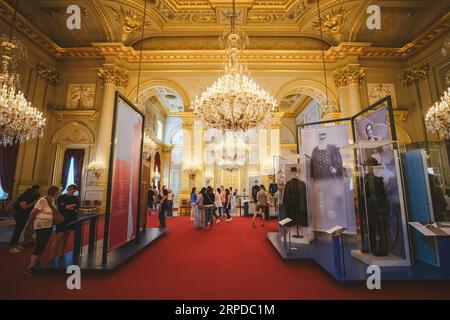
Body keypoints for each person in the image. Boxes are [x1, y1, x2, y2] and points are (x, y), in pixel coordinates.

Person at [24, 186, 60, 276]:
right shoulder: (42, 200)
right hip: (40, 226)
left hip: (48, 225)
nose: (58, 194)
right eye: (57, 192)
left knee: (43, 243)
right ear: (55, 193)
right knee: (40, 244)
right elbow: (33, 213)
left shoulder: (52, 201)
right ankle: (30, 267)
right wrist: (31, 224)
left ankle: (36, 262)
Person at [50, 184, 80, 259]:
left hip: (71, 219)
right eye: (72, 190)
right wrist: (69, 206)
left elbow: (77, 208)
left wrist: (67, 206)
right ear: (69, 189)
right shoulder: (61, 197)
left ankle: (61, 253)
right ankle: (51, 256)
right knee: (58, 238)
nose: (73, 191)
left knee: (65, 238)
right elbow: (60, 208)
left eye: (74, 190)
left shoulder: (75, 198)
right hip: (62, 219)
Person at [9, 185, 40, 254]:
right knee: (17, 231)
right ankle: (12, 247)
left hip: (23, 215)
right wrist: (34, 202)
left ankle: (16, 245)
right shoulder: (23, 198)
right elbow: (24, 207)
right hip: (20, 215)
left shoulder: (25, 197)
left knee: (19, 231)